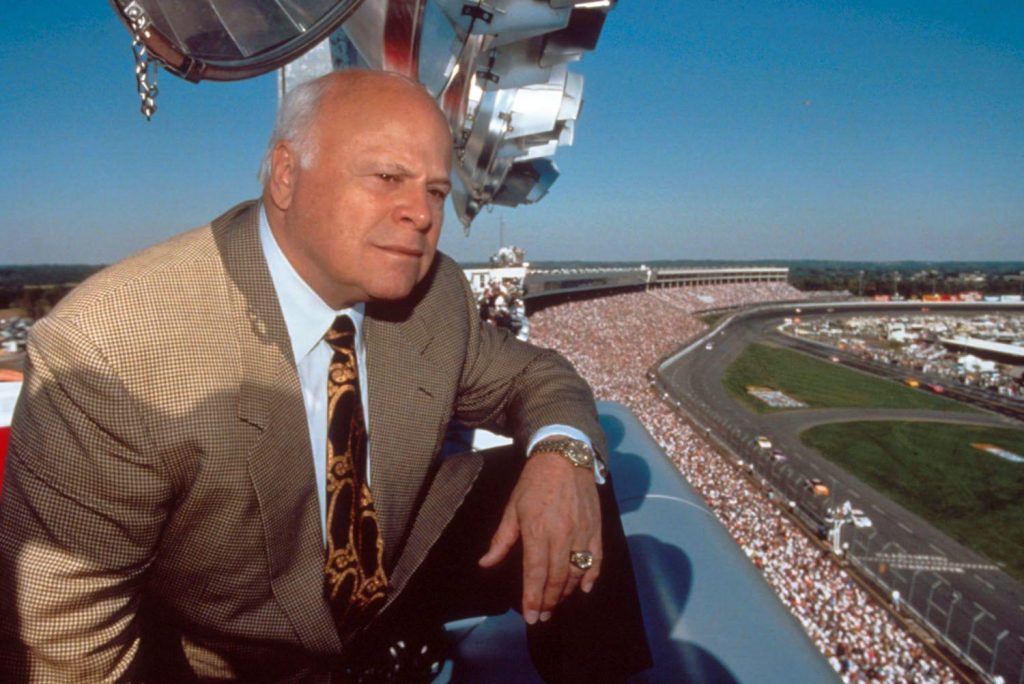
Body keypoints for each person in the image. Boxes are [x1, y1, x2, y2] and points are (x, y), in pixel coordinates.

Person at [0, 70, 648, 681]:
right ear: (286, 175)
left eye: (435, 191)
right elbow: (69, 648)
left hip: (387, 574)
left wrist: (562, 454)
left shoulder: (436, 293)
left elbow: (536, 376)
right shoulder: (112, 350)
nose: (420, 214)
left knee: (573, 479)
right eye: (388, 177)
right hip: (227, 653)